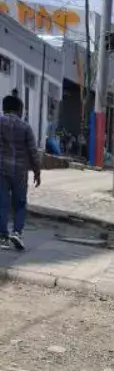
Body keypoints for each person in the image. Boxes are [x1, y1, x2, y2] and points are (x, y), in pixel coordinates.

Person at [0, 94, 41, 252]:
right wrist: (37, 172)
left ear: (4, 108)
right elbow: (33, 152)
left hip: (1, 170)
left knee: (2, 204)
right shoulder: (25, 127)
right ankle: (17, 232)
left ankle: (3, 237)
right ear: (19, 110)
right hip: (20, 172)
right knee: (20, 204)